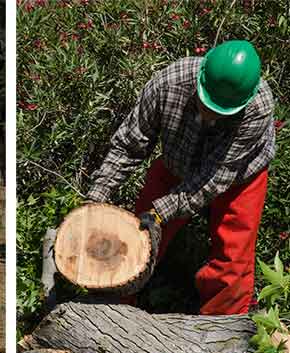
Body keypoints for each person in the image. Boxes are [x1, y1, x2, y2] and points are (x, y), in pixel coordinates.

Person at [86, 40, 274, 316]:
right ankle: (114, 308)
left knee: (233, 256)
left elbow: (213, 180)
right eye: (207, 104)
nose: (211, 115)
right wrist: (97, 196)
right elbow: (130, 145)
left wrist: (161, 211)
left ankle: (222, 327)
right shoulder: (168, 84)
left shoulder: (258, 108)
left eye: (222, 112)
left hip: (238, 176)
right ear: (200, 78)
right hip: (177, 163)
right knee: (136, 238)